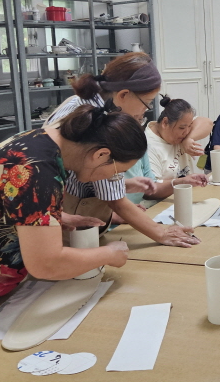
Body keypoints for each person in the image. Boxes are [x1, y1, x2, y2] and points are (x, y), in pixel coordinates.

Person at [0, 105, 142, 347]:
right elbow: (46, 264)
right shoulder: (38, 169)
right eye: (117, 172)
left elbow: (5, 202)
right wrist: (109, 254)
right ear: (101, 155)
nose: (111, 178)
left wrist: (53, 218)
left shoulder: (38, 141)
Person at [45, 53, 199, 248]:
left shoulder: (83, 104)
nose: (145, 111)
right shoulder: (97, 120)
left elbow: (89, 178)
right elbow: (115, 200)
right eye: (147, 102)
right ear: (123, 94)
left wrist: (122, 184)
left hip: (62, 217)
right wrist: (162, 233)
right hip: (56, 224)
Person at [125, 96, 212, 207]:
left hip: (186, 196)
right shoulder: (148, 145)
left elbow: (207, 122)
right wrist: (182, 182)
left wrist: (189, 138)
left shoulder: (179, 135)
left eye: (189, 126)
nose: (186, 132)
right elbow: (151, 190)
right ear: (165, 123)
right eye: (182, 128)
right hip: (163, 204)